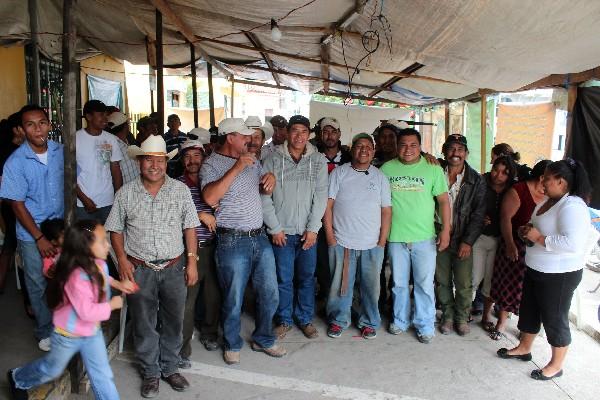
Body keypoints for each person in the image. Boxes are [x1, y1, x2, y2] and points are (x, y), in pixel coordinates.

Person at [105, 135, 200, 397]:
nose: (154, 165)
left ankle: (170, 368)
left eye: (159, 160)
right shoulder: (126, 193)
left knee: (173, 321)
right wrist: (122, 260)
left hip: (173, 267)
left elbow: (190, 227)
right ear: (139, 162)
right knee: (144, 324)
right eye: (149, 160)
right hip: (140, 269)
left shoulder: (179, 191)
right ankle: (150, 373)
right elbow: (115, 230)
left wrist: (192, 262)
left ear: (166, 163)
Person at [7, 220, 135, 400]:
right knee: (51, 370)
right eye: (102, 241)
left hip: (92, 331)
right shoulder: (76, 278)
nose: (108, 244)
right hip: (68, 334)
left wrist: (118, 283)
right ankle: (18, 377)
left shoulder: (99, 263)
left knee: (102, 377)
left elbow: (104, 278)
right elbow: (87, 312)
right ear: (85, 246)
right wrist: (112, 305)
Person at [498, 159, 592, 381]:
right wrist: (527, 232)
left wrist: (538, 238)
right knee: (529, 309)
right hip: (536, 267)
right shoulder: (549, 201)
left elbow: (572, 244)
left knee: (554, 317)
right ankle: (524, 347)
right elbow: (537, 228)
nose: (542, 181)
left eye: (547, 178)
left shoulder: (573, 206)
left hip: (559, 275)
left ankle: (556, 365)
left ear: (561, 181)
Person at [201, 118, 283, 365]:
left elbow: (264, 189)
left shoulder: (252, 160)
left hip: (259, 237)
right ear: (230, 137)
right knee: (233, 297)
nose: (250, 139)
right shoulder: (211, 164)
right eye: (244, 135)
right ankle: (232, 343)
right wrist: (236, 167)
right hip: (232, 241)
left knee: (270, 292)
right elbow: (209, 196)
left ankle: (264, 338)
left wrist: (270, 179)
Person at [0, 105, 64, 351]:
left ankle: (63, 326)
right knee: (37, 283)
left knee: (61, 280)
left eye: (42, 122)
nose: (38, 129)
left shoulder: (61, 151)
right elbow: (16, 204)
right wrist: (39, 237)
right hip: (32, 234)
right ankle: (44, 331)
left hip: (60, 231)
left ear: (49, 124)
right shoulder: (15, 162)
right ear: (22, 129)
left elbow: (71, 183)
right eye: (30, 124)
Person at [381, 128, 450, 344]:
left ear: (420, 147)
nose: (407, 149)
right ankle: (400, 320)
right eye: (403, 145)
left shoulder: (432, 168)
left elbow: (444, 201)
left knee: (424, 284)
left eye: (413, 145)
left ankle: (425, 324)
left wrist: (446, 230)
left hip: (424, 237)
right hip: (396, 237)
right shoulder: (386, 169)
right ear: (396, 147)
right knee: (399, 283)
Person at [261, 115, 328, 340]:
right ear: (287, 132)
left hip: (308, 233)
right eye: (295, 131)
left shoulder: (318, 160)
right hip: (282, 233)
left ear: (309, 134)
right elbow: (264, 197)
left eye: (304, 131)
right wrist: (275, 228)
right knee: (283, 278)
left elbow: (320, 198)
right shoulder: (271, 159)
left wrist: (313, 229)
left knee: (307, 278)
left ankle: (305, 318)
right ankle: (285, 319)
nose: (299, 136)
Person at [323, 133, 391, 339]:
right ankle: (338, 319)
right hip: (342, 241)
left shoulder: (380, 177)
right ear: (352, 150)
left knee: (371, 287)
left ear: (374, 151)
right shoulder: (339, 173)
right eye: (359, 146)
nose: (364, 150)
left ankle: (369, 321)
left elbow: (386, 210)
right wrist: (330, 237)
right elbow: (328, 206)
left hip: (372, 243)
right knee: (340, 286)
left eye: (368, 147)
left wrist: (381, 241)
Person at [489, 159, 551, 340]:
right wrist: (510, 244)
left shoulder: (551, 195)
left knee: (529, 291)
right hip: (515, 245)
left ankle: (526, 328)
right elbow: (505, 219)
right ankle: (501, 322)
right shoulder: (519, 191)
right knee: (509, 286)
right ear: (542, 177)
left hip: (538, 248)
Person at [435, 134, 486, 336]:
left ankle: (461, 318)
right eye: (451, 148)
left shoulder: (476, 180)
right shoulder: (435, 171)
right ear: (444, 151)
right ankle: (447, 316)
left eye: (460, 149)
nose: (455, 153)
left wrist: (468, 241)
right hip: (439, 235)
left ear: (466, 153)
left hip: (463, 238)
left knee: (464, 282)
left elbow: (479, 214)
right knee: (442, 279)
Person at [176, 139, 220, 366]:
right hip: (189, 252)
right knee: (187, 302)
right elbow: (172, 215)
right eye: (187, 157)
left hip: (214, 247)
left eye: (196, 156)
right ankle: (183, 350)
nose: (192, 161)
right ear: (182, 160)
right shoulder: (177, 185)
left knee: (213, 297)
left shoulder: (212, 181)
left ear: (204, 157)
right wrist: (199, 214)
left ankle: (210, 333)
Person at [471, 156, 516, 329]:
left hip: (500, 241)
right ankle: (465, 310)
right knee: (474, 277)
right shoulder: (480, 183)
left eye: (504, 173)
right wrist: (479, 218)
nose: (498, 175)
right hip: (480, 238)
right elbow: (468, 207)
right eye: (496, 169)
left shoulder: (512, 190)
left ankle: (486, 315)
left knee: (491, 282)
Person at [76, 100, 123, 223]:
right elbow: (69, 174)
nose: (105, 118)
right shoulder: (75, 139)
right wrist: (83, 198)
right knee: (86, 241)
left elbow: (115, 169)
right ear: (89, 116)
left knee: (108, 240)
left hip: (108, 201)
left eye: (106, 114)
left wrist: (118, 197)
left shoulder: (111, 139)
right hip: (83, 204)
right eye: (101, 114)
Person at [0, 112, 25, 293]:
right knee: (13, 243)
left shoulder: (22, 148)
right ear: (17, 130)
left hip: (14, 202)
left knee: (11, 243)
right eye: (27, 125)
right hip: (12, 203)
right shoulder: (8, 151)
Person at [107, 112, 140, 185]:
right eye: (128, 123)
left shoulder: (125, 141)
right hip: (126, 192)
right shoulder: (115, 146)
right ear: (125, 127)